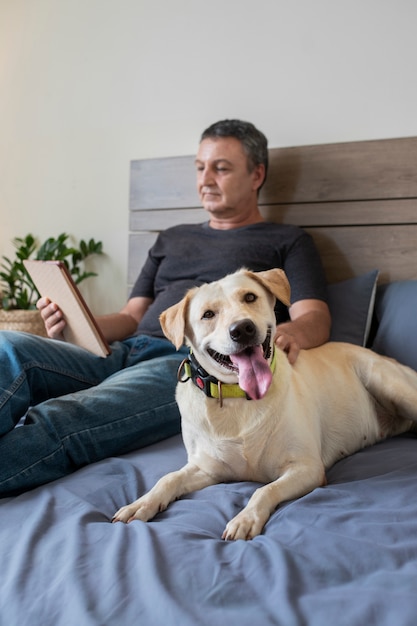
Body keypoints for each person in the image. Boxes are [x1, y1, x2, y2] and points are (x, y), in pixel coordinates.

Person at [0, 119, 331, 497]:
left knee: (65, 416)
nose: (206, 178)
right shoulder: (171, 239)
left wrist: (289, 333)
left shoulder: (287, 241)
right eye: (200, 167)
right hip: (123, 350)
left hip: (186, 362)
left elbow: (314, 316)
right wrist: (74, 324)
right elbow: (129, 318)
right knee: (8, 348)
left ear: (256, 174)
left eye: (221, 168)